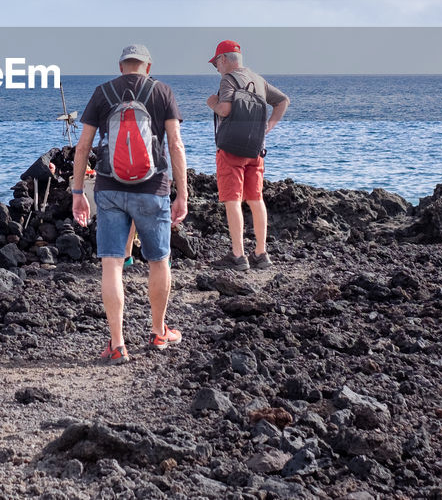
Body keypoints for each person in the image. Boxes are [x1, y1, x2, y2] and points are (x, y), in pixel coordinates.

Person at [71, 44, 188, 365]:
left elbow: (83, 148)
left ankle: (118, 344)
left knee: (113, 264)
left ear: (121, 66)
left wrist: (78, 192)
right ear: (147, 67)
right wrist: (183, 194)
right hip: (153, 189)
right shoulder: (162, 92)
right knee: (158, 260)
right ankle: (158, 332)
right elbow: (176, 144)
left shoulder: (102, 92)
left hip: (109, 189)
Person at [205, 40, 290, 272]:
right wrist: (268, 127)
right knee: (255, 199)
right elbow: (283, 101)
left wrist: (212, 102)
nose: (217, 68)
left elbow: (225, 110)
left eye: (216, 64)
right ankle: (261, 254)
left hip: (231, 149)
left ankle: (238, 255)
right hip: (255, 148)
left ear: (223, 59)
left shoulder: (228, 80)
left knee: (232, 200)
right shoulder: (258, 80)